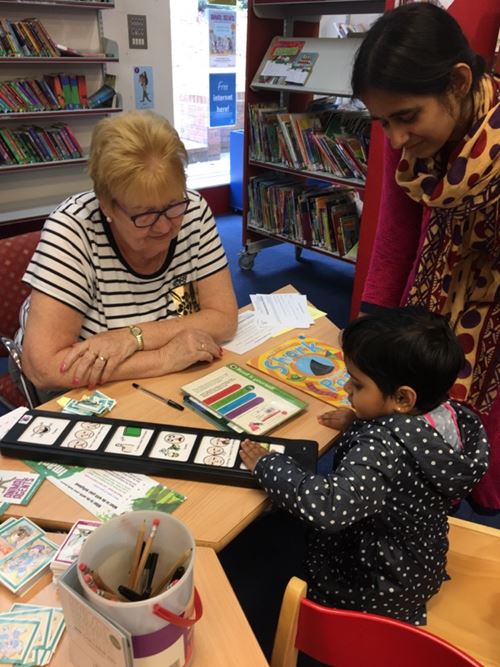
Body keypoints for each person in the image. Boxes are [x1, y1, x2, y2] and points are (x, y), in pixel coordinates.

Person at [240, 307, 489, 624]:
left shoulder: (381, 449)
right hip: (420, 560)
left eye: (357, 385)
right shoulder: (445, 414)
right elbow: (406, 448)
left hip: (377, 586)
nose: (346, 390)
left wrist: (269, 465)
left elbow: (329, 508)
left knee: (278, 550)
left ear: (402, 398)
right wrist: (359, 419)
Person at [349, 3, 499, 509]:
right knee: (410, 416)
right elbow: (394, 235)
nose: (395, 139)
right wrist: (371, 334)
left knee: (477, 450)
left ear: (457, 82)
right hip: (430, 296)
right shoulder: (407, 133)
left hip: (493, 319)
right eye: (381, 122)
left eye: (406, 118)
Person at [15, 110, 238, 400]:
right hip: (79, 388)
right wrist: (163, 358)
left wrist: (132, 337)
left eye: (172, 205)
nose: (164, 226)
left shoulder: (193, 210)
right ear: (107, 205)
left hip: (153, 373)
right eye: (144, 214)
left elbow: (223, 319)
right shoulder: (72, 229)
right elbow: (44, 368)